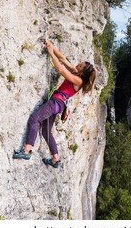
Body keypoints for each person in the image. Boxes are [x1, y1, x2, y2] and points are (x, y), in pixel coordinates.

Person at [13, 40, 96, 168]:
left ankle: (26, 150)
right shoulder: (76, 72)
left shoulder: (78, 81)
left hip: (56, 102)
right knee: (46, 131)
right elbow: (63, 58)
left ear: (83, 71)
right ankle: (55, 159)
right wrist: (51, 46)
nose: (78, 64)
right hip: (58, 105)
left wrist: (51, 54)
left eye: (80, 65)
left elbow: (62, 71)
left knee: (34, 119)